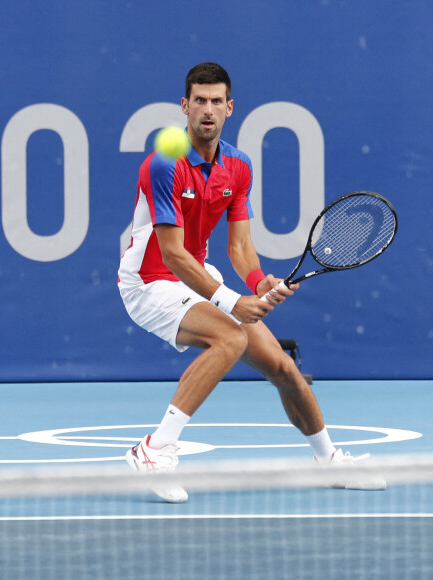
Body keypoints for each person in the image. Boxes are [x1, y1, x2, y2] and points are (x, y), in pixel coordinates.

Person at [118, 62, 379, 502]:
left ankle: (328, 460)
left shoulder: (238, 166)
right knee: (229, 339)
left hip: (197, 274)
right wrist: (230, 301)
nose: (207, 110)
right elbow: (172, 254)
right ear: (184, 106)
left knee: (282, 367)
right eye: (199, 100)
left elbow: (239, 248)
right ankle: (154, 450)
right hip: (149, 280)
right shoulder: (164, 164)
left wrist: (259, 283)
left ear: (229, 108)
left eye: (216, 101)